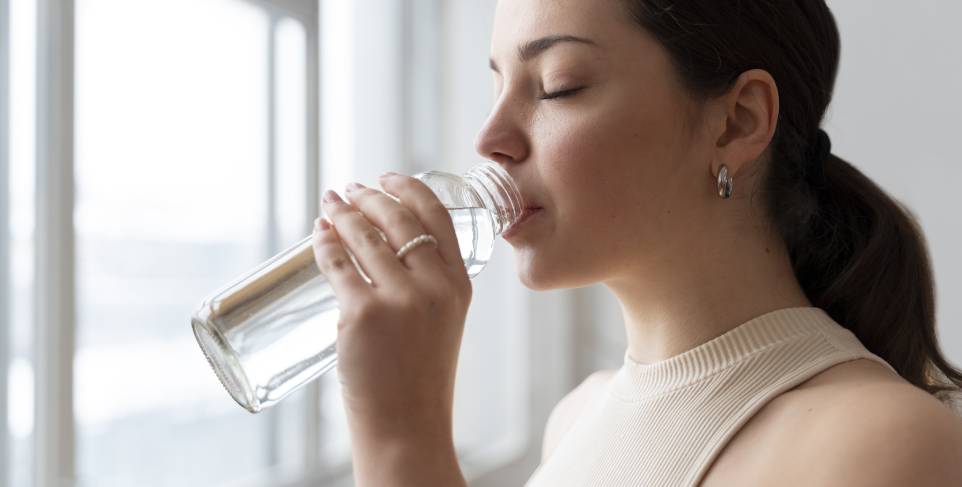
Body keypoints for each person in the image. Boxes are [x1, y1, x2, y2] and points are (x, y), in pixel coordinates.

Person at [310, 0, 962, 485]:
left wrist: (401, 436)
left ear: (738, 121)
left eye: (559, 84)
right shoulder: (577, 417)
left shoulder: (883, 443)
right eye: (496, 82)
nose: (490, 137)